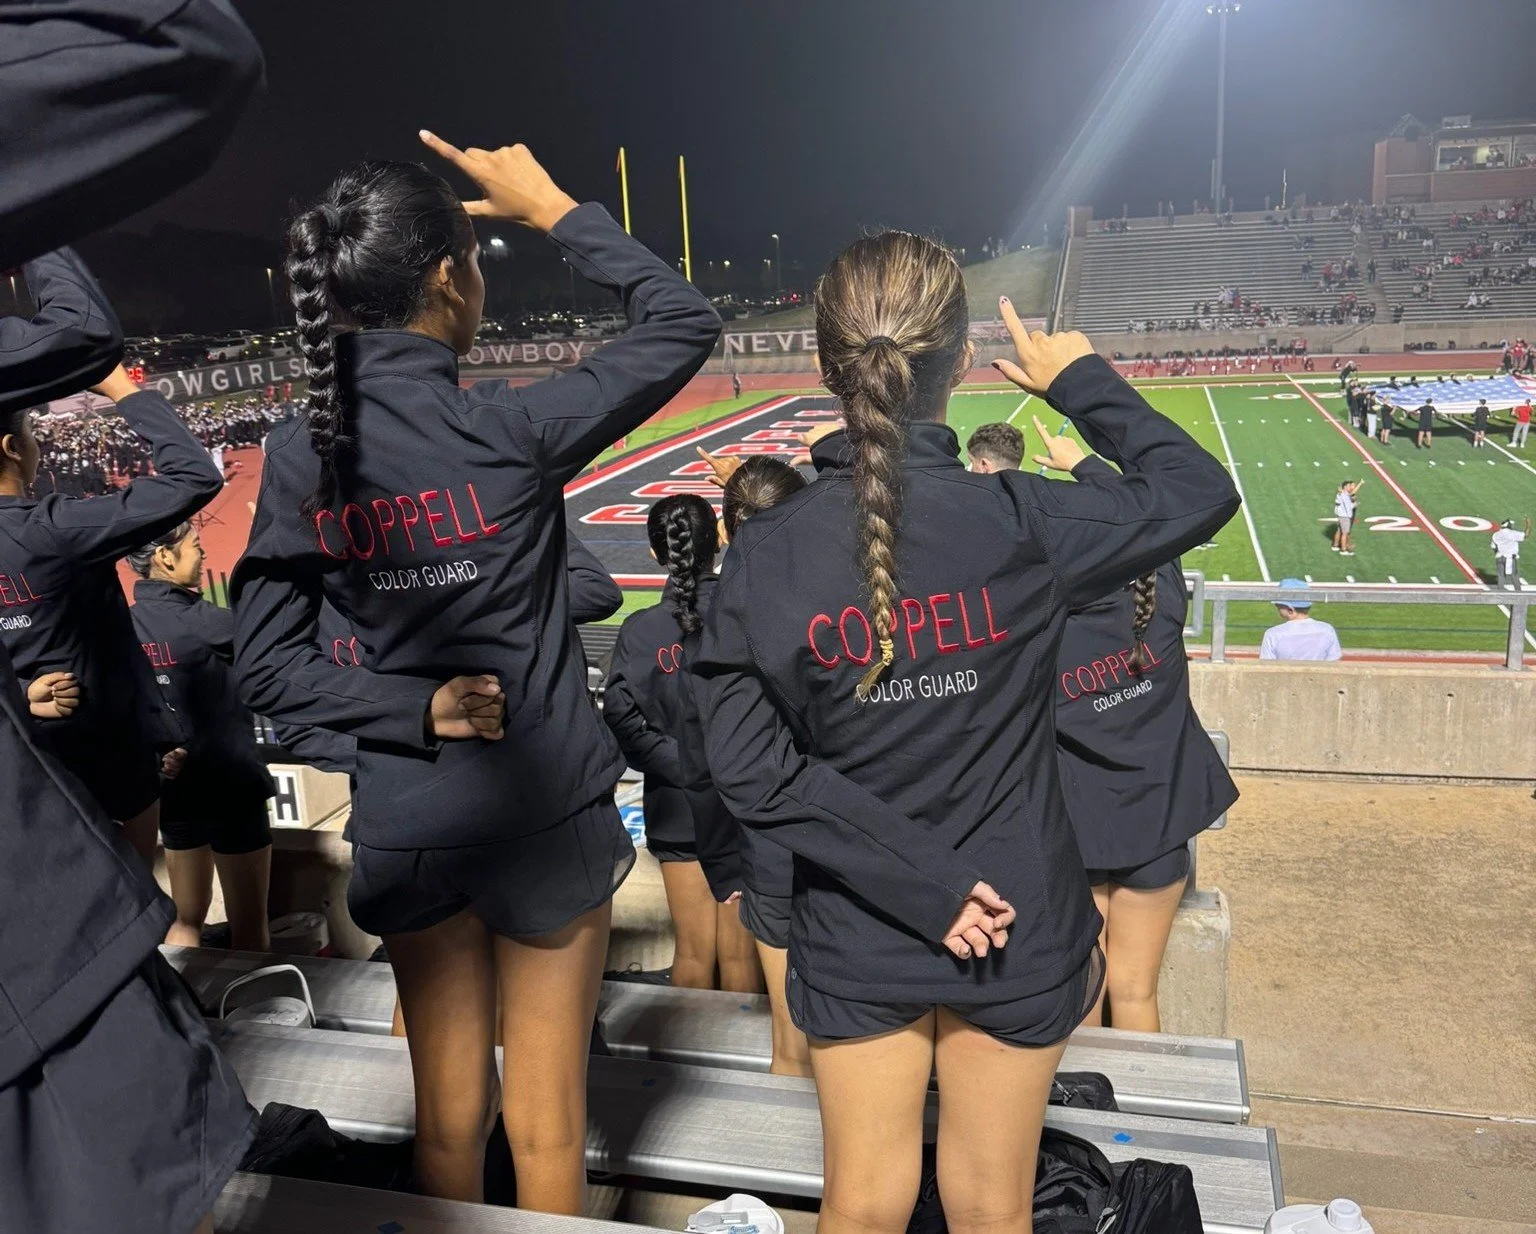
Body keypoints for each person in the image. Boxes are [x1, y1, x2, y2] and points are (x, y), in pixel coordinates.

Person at [694, 230, 1239, 1234]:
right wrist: (1079, 379)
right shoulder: (1022, 519)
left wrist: (915, 884)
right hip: (1019, 917)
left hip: (858, 924)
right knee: (994, 1207)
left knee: (861, 1205)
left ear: (826, 366)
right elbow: (1200, 490)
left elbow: (750, 774)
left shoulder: (764, 557)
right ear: (957, 364)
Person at [231, 136, 720, 1210]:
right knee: (548, 1130)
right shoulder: (507, 426)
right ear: (453, 275)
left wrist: (412, 707)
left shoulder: (302, 449)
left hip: (410, 820)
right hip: (544, 819)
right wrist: (553, 205)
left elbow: (266, 664)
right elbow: (684, 320)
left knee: (447, 1124)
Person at [0, 286, 222, 865]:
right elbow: (193, 476)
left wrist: (22, 699)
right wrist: (122, 387)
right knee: (134, 910)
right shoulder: (55, 528)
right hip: (107, 761)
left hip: (20, 772)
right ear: (10, 448)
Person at [1043, 428, 1237, 1031]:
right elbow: (1153, 519)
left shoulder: (1045, 634)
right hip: (1157, 824)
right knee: (1134, 993)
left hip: (1077, 830)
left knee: (1080, 992)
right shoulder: (1163, 595)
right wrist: (1088, 466)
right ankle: (1139, 1118)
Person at [603, 495, 762, 994]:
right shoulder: (748, 617)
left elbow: (624, 725)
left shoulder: (639, 631)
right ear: (719, 541)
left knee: (691, 953)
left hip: (677, 805)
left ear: (655, 554)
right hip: (741, 804)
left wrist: (684, 764)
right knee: (741, 961)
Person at [129, 522, 274, 951]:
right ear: (165, 557)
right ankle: (257, 1016)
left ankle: (190, 1010)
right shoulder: (208, 622)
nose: (203, 554)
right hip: (231, 786)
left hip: (174, 791)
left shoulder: (126, 627)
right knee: (250, 926)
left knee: (186, 920)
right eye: (195, 546)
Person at [1259, 579, 1343, 661]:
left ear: (1290, 610)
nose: (1277, 607)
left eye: (1278, 605)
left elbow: (1266, 667)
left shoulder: (1273, 634)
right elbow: (1334, 661)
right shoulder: (1327, 630)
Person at [1491, 518, 1529, 589]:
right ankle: (1518, 594)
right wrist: (1528, 524)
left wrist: (1499, 553)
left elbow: (1493, 547)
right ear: (1508, 525)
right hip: (1510, 557)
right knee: (1514, 575)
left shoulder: (1496, 535)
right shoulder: (1513, 533)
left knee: (1501, 577)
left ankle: (1501, 596)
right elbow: (1525, 535)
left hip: (1499, 557)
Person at [1333, 479, 1363, 556]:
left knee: (1339, 531)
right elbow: (1348, 506)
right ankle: (1343, 549)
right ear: (1345, 487)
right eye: (1349, 486)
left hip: (1341, 515)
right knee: (1345, 533)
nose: (1351, 487)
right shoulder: (1344, 495)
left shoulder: (1342, 493)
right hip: (1345, 516)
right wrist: (1354, 505)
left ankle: (1335, 545)